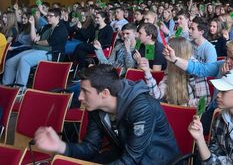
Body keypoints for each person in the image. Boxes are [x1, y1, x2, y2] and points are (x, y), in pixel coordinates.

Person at [34, 64, 180, 163]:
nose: (80, 97)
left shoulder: (142, 107)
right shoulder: (96, 107)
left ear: (105, 93)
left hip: (157, 160)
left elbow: (131, 159)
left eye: (85, 91)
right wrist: (60, 147)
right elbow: (90, 147)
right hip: (126, 155)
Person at [2, 8, 68, 89]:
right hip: (37, 49)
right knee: (10, 62)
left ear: (57, 17)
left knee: (24, 60)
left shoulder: (61, 28)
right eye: (47, 15)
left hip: (51, 53)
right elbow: (33, 38)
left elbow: (48, 42)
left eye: (51, 16)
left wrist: (38, 42)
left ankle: (20, 89)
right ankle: (6, 86)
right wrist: (32, 24)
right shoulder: (46, 27)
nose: (48, 17)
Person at [140, 36, 210, 107]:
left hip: (191, 113)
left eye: (168, 49)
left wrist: (183, 106)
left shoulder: (196, 68)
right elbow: (157, 95)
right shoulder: (171, 66)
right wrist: (147, 72)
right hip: (173, 111)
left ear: (175, 52)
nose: (164, 52)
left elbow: (204, 101)